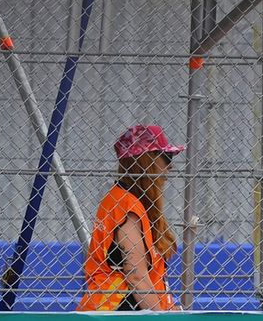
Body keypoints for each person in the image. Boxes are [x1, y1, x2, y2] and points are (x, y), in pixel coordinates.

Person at [77, 125, 184, 311]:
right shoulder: (127, 206)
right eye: (166, 157)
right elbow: (137, 277)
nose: (170, 166)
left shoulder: (122, 200)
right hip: (120, 312)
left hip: (116, 309)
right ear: (146, 161)